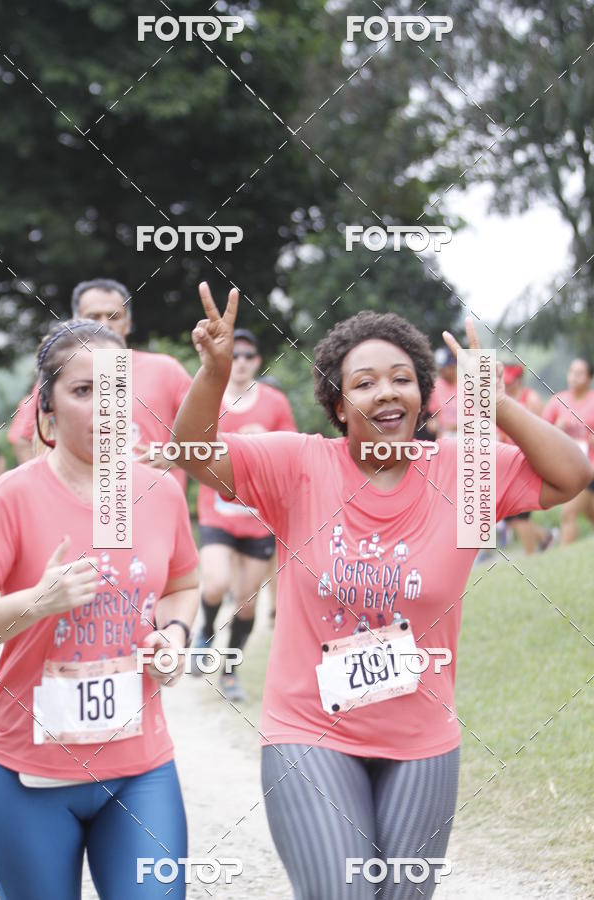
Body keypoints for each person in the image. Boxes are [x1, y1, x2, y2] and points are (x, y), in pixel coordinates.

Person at [173, 283, 592, 900]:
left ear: (423, 396)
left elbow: (573, 475)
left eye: (402, 378)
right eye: (364, 382)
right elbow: (192, 453)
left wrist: (497, 404)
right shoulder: (299, 466)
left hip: (421, 741)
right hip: (309, 731)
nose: (386, 391)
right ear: (338, 405)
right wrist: (213, 374)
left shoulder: (463, 473)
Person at [0, 320, 200, 899]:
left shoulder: (160, 492)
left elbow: (183, 583)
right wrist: (38, 601)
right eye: (83, 390)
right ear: (47, 406)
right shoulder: (11, 497)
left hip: (140, 771)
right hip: (27, 773)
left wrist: (175, 634)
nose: (104, 406)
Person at [7, 279, 193, 491]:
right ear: (77, 321)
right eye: (93, 317)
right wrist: (46, 490)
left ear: (128, 323)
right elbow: (24, 439)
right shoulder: (62, 375)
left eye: (114, 316)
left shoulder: (166, 370)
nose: (104, 324)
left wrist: (175, 456)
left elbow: (212, 438)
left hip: (154, 503)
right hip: (77, 506)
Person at [192, 327, 297, 701]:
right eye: (234, 355)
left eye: (248, 356)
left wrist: (262, 443)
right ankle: (205, 631)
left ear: (258, 361)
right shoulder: (209, 396)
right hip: (218, 511)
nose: (240, 362)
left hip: (259, 517)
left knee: (246, 603)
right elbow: (191, 443)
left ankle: (230, 672)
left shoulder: (274, 403)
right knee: (216, 583)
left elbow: (291, 452)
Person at [498, 364, 554, 554]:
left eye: (510, 382)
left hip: (528, 462)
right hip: (507, 463)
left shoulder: (531, 400)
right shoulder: (502, 399)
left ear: (519, 381)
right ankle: (545, 537)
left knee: (520, 515)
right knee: (509, 515)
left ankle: (530, 558)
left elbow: (542, 432)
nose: (507, 386)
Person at [542, 357, 594, 544]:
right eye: (571, 372)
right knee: (590, 511)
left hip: (590, 467)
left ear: (589, 378)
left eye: (579, 373)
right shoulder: (557, 401)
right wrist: (556, 429)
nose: (573, 377)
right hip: (568, 467)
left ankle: (563, 555)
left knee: (568, 513)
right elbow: (540, 431)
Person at [424, 346, 457, 438]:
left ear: (453, 367)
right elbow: (433, 416)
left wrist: (455, 426)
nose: (441, 371)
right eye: (440, 368)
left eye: (444, 368)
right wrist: (433, 423)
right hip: (444, 438)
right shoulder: (436, 386)